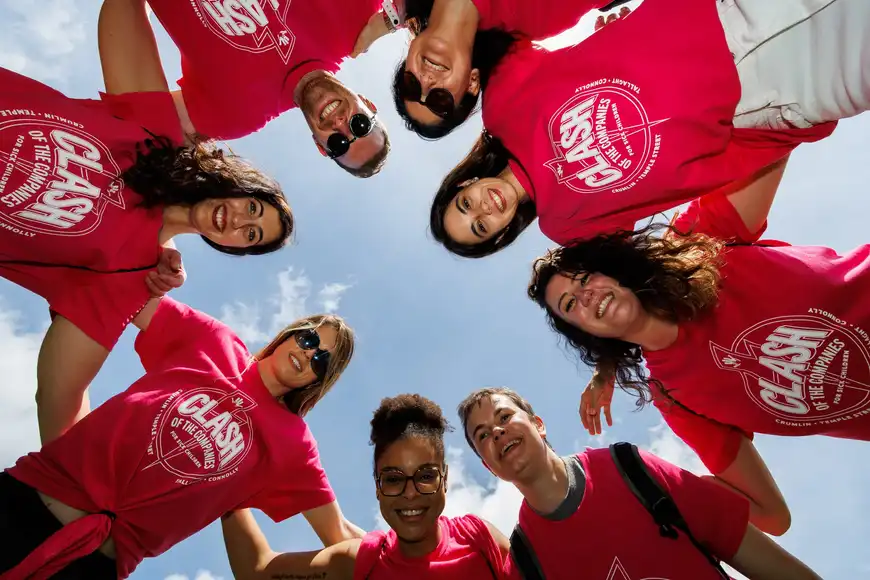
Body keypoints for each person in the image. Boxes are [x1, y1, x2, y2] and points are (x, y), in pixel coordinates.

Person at [526, 154, 870, 537]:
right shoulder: (676, 399)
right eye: (571, 305)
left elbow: (778, 133)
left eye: (586, 277)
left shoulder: (692, 246)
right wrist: (657, 488)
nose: (586, 296)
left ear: (613, 270)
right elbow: (772, 516)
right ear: (586, 334)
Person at [0, 0, 295, 445]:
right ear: (239, 187)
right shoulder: (156, 134)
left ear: (233, 248)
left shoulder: (132, 275)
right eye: (252, 208)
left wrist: (69, 488)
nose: (238, 221)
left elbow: (58, 396)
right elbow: (122, 11)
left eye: (250, 236)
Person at [428, 0, 870, 258]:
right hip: (772, 100)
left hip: (720, 13)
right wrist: (606, 361)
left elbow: (510, 13)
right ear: (502, 234)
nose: (483, 210)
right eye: (481, 227)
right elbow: (636, 287)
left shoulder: (501, 107)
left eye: (465, 204)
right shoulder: (568, 230)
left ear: (466, 182)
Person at [0, 294, 360, 579]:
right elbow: (125, 291)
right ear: (290, 333)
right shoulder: (212, 339)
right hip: (23, 502)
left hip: (92, 565)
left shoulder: (294, 444)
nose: (308, 352)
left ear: (319, 380)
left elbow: (339, 534)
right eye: (309, 338)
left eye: (321, 360)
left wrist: (413, 554)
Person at [457, 386, 823, 579]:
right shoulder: (524, 561)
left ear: (538, 424)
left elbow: (758, 556)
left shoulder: (631, 468)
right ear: (489, 467)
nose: (498, 431)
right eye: (483, 435)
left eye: (505, 415)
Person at [220, 393, 509, 579]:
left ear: (444, 480)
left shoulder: (478, 538)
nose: (410, 493)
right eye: (394, 479)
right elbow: (256, 571)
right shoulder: (362, 562)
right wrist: (226, 477)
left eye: (424, 476)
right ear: (377, 487)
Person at [136, 0, 391, 177]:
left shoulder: (235, 115)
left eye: (338, 143)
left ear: (320, 146)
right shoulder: (356, 17)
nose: (341, 125)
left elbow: (140, 119)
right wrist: (397, 17)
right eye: (360, 125)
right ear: (368, 104)